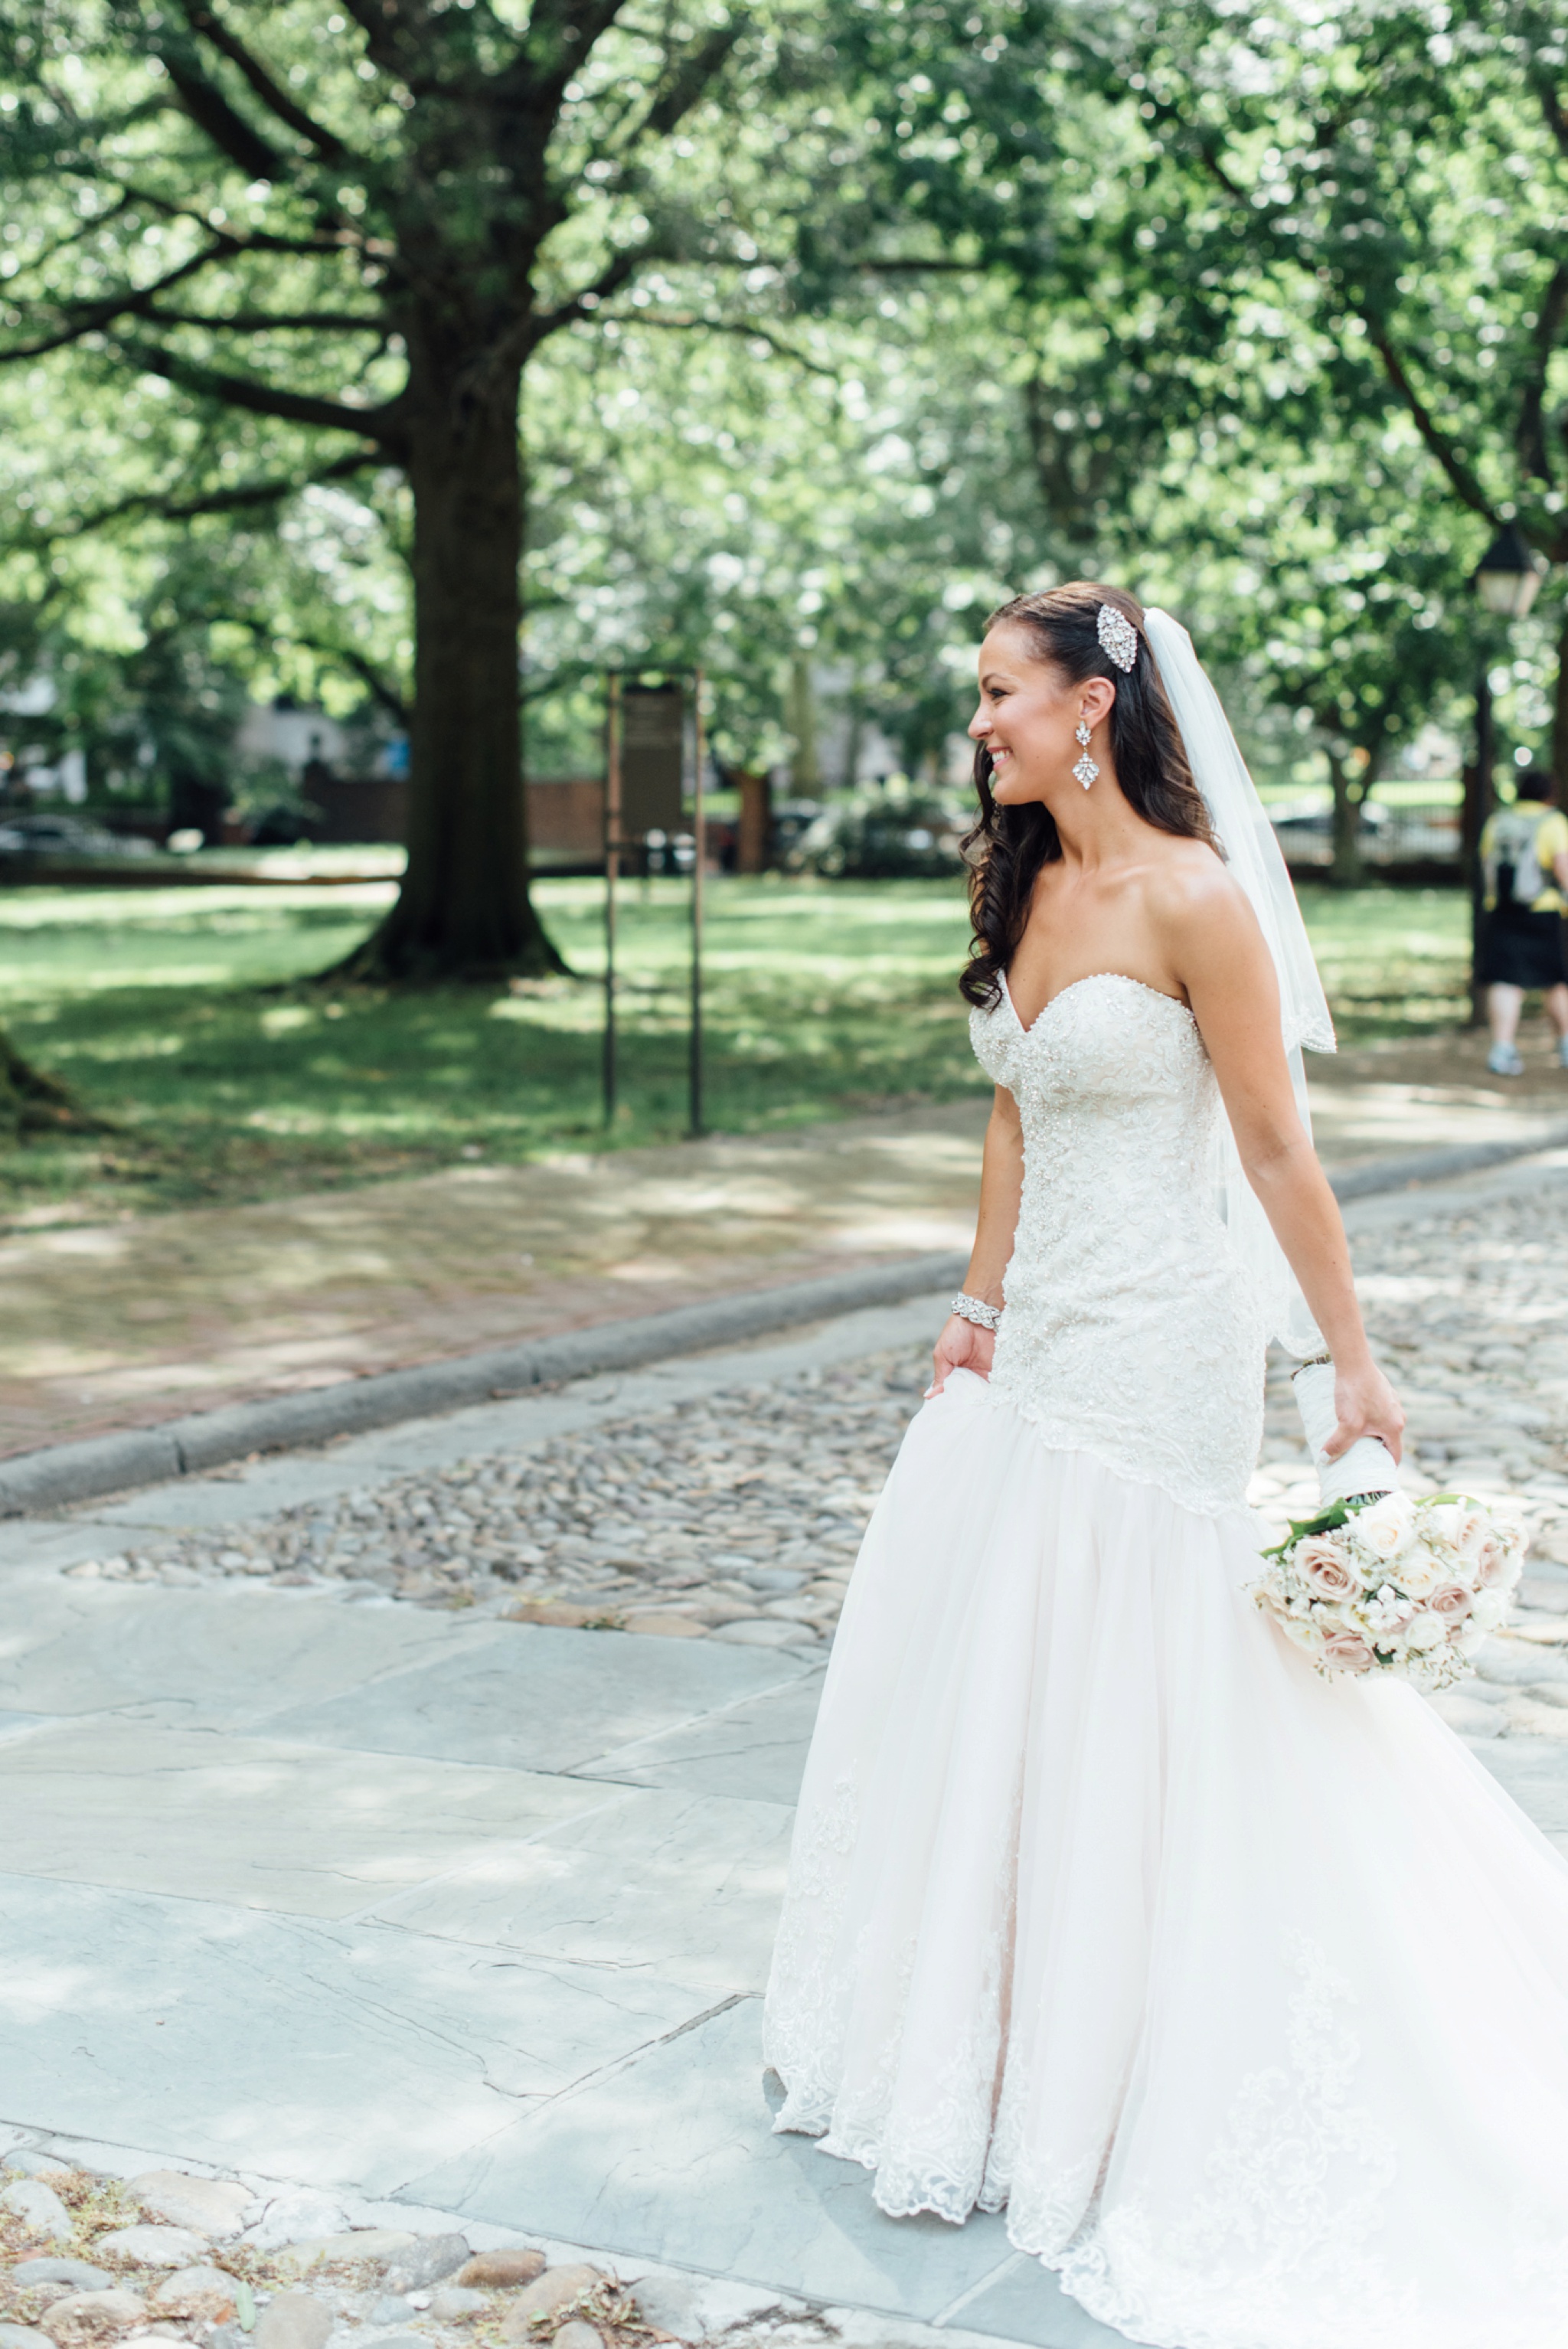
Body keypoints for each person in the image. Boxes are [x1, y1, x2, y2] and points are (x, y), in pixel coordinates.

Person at [763, 583, 1568, 2349]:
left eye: (996, 694)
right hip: (1039, 1336)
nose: (976, 723)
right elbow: (1009, 1106)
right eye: (976, 696)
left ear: (1089, 706)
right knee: (1011, 1678)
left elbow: (1276, 1151)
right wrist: (972, 1305)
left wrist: (1351, 1360)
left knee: (1157, 1673)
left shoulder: (1197, 904)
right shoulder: (1025, 881)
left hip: (1164, 1347)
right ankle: (1013, 2037)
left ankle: (1149, 2053)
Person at [1478, 766, 1568, 1076]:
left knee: (1506, 980)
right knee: (1554, 981)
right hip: (1542, 910)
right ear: (1549, 794)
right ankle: (1566, 1044)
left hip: (1503, 910)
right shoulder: (1552, 822)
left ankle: (1502, 1048)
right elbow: (1563, 869)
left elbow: (1486, 862)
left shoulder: (1498, 821)